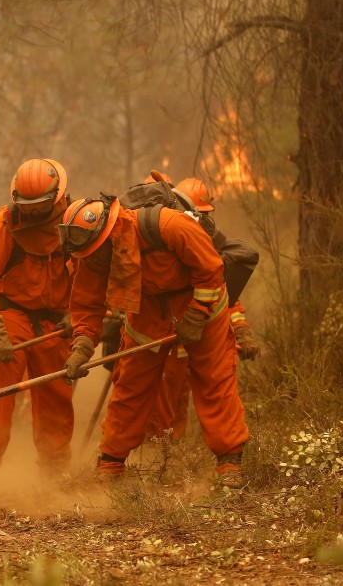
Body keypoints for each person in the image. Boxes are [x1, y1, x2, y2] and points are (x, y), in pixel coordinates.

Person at [60, 182, 249, 488]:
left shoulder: (170, 225)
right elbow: (85, 303)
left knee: (215, 380)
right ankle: (111, 461)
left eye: (97, 253)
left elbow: (212, 270)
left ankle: (230, 461)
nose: (95, 260)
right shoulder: (92, 255)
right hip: (146, 314)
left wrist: (196, 314)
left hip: (203, 305)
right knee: (130, 386)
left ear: (111, 233)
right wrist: (82, 345)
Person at [0, 158, 74, 488]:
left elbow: (89, 274)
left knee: (55, 392)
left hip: (57, 320)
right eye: (27, 205)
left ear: (56, 197)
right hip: (13, 313)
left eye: (40, 205)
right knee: (1, 390)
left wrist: (77, 315)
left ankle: (55, 471)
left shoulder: (74, 220)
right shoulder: (7, 221)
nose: (33, 213)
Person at [145, 177, 260, 442]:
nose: (203, 220)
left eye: (205, 215)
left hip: (191, 341)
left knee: (179, 399)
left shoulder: (204, 245)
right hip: (159, 336)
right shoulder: (164, 243)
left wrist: (241, 331)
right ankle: (149, 451)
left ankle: (170, 452)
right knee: (150, 396)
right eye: (200, 214)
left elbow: (224, 297)